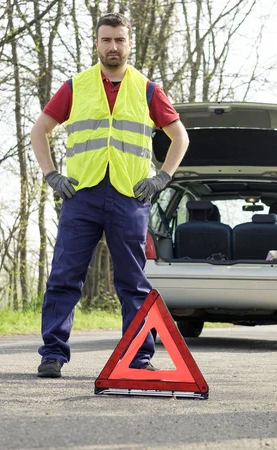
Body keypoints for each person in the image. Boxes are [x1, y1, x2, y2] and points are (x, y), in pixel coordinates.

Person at [30, 12, 189, 378]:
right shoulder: (76, 86)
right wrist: (52, 175)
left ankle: (138, 358)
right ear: (97, 43)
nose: (113, 46)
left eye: (119, 39)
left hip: (129, 197)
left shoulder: (148, 89)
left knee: (133, 282)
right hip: (81, 195)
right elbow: (40, 132)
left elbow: (180, 137)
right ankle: (52, 354)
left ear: (129, 43)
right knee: (64, 277)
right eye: (106, 39)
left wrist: (162, 177)